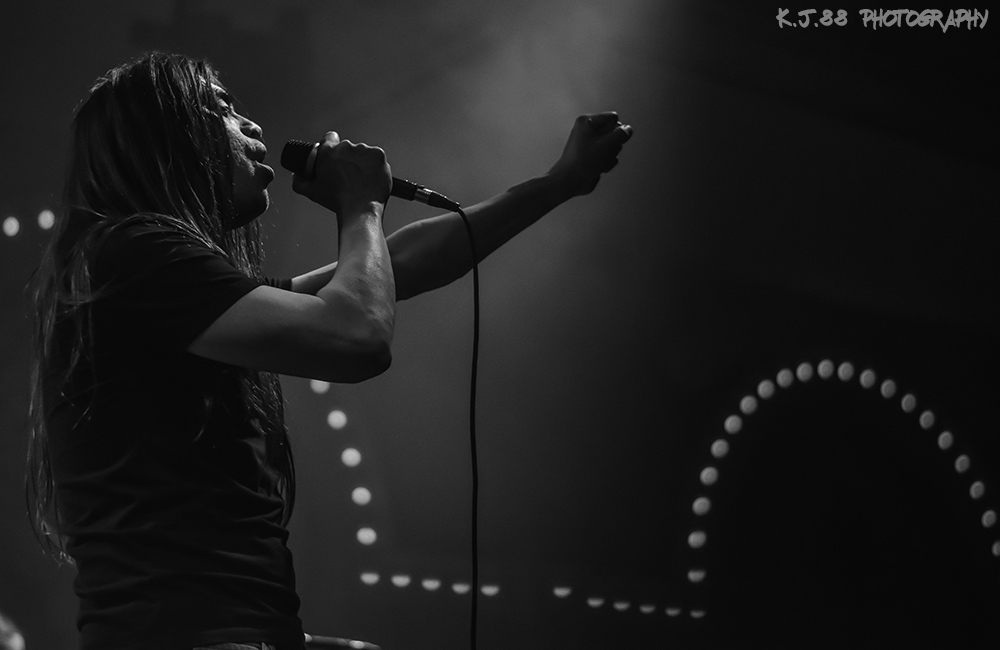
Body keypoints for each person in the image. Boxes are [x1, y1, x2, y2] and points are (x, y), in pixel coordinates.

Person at [27, 51, 632, 650]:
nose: (252, 126)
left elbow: (407, 262)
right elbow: (356, 336)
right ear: (163, 139)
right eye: (222, 110)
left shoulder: (165, 280)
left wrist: (558, 184)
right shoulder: (132, 253)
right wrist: (361, 205)